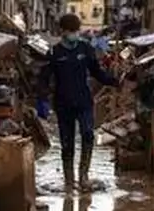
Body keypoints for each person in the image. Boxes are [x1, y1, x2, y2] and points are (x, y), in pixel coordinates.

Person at [37, 13, 120, 190]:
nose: (74, 34)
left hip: (84, 101)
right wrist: (42, 99)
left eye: (76, 30)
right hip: (63, 103)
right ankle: (68, 180)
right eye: (71, 31)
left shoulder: (86, 49)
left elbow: (97, 72)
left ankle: (83, 176)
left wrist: (114, 81)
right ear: (63, 31)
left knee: (88, 135)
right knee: (67, 143)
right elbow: (44, 78)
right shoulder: (54, 52)